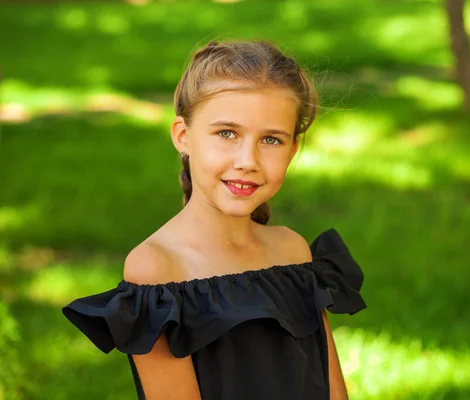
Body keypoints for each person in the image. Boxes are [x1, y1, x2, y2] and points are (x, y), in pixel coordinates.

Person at [62, 40, 367, 400]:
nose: (247, 160)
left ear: (293, 150)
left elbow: (334, 393)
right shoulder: (158, 270)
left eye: (271, 139)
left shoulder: (293, 252)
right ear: (183, 136)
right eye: (227, 133)